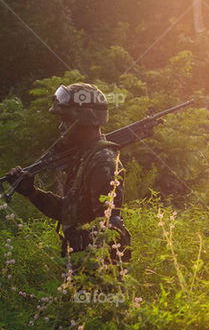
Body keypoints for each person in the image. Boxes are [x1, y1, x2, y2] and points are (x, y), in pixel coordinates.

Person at [4, 83, 131, 264]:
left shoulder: (102, 161)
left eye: (66, 120)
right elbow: (70, 213)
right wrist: (32, 193)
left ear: (84, 121)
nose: (61, 127)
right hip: (80, 269)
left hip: (97, 273)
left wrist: (97, 277)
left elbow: (110, 227)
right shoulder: (84, 157)